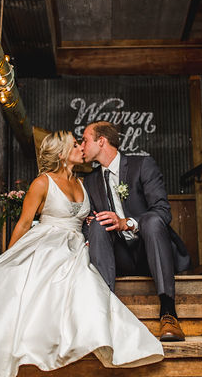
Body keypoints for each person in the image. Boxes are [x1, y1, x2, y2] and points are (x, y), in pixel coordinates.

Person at [0, 131, 163, 377]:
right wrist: (8, 258)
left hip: (77, 245)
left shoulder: (84, 184)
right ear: (62, 153)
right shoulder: (42, 182)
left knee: (82, 276)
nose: (81, 148)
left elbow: (89, 222)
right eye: (75, 145)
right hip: (48, 240)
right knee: (51, 273)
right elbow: (23, 223)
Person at [80, 121, 190, 342]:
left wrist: (126, 223)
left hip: (151, 250)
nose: (81, 146)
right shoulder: (90, 181)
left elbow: (163, 212)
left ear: (101, 141)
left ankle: (168, 313)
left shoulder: (142, 165)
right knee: (97, 225)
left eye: (85, 140)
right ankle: (105, 310)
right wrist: (91, 223)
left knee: (151, 219)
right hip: (119, 258)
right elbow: (86, 220)